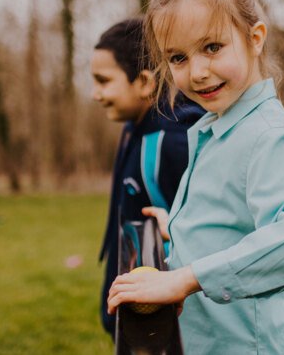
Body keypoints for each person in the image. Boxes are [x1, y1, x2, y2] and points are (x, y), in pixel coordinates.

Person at [106, 0, 284, 353]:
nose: (197, 71)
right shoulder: (217, 127)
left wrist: (186, 278)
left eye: (212, 47)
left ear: (255, 38)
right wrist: (183, 229)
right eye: (178, 57)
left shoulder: (266, 135)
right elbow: (236, 221)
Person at [90, 18, 203, 339]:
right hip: (130, 312)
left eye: (103, 81)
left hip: (164, 326)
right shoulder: (133, 128)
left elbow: (198, 239)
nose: (95, 94)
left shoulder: (171, 142)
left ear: (143, 83)